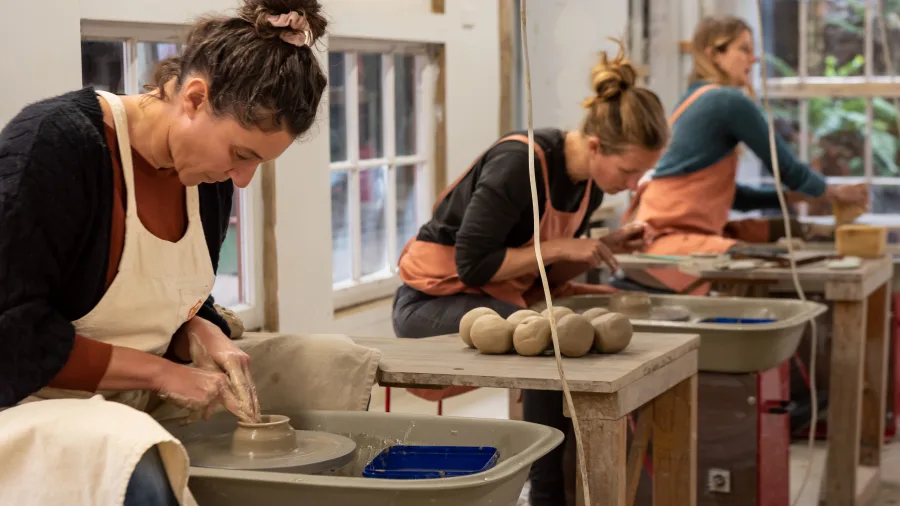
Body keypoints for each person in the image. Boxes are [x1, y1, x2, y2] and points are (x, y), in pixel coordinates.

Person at [0, 2, 375, 505]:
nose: (243, 179)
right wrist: (163, 373)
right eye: (242, 155)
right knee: (131, 446)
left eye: (259, 164)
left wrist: (201, 332)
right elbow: (12, 337)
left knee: (328, 364)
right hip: (30, 401)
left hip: (132, 391)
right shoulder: (57, 144)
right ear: (195, 98)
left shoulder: (204, 174)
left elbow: (168, 299)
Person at [392, 42, 669, 506]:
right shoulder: (519, 162)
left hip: (499, 297)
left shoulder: (590, 188)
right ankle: (546, 496)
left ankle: (578, 481)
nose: (633, 184)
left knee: (576, 325)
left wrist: (605, 247)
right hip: (431, 302)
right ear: (597, 145)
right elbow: (472, 264)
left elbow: (545, 275)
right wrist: (563, 245)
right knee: (547, 342)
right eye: (629, 170)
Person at [620, 15, 869, 294]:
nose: (754, 60)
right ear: (714, 54)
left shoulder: (693, 99)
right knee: (759, 259)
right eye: (744, 49)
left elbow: (725, 194)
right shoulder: (727, 101)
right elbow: (785, 167)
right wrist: (832, 193)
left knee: (773, 230)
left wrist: (789, 198)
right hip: (666, 243)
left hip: (664, 237)